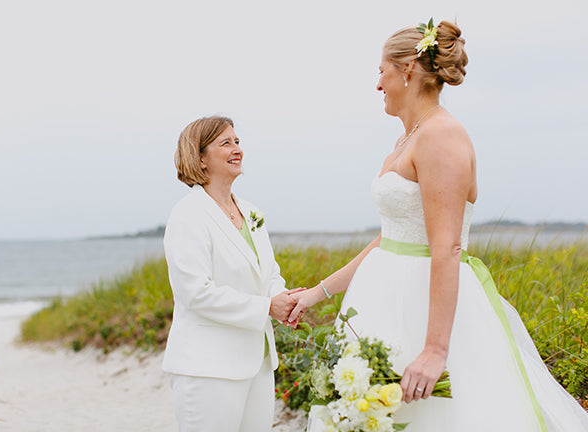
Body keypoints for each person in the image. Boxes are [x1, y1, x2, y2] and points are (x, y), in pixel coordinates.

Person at [288, 19, 588, 431]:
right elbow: (390, 239)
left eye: (381, 71)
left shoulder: (442, 136)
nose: (378, 85)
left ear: (407, 70)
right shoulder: (407, 139)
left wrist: (434, 350)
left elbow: (445, 247)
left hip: (428, 309)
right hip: (384, 300)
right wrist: (316, 294)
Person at [162, 115, 301, 432]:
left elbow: (269, 274)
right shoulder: (188, 214)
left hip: (259, 362)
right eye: (226, 143)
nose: (237, 149)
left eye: (237, 141)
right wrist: (266, 307)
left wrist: (282, 298)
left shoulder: (252, 213)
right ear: (200, 157)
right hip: (208, 367)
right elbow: (195, 292)